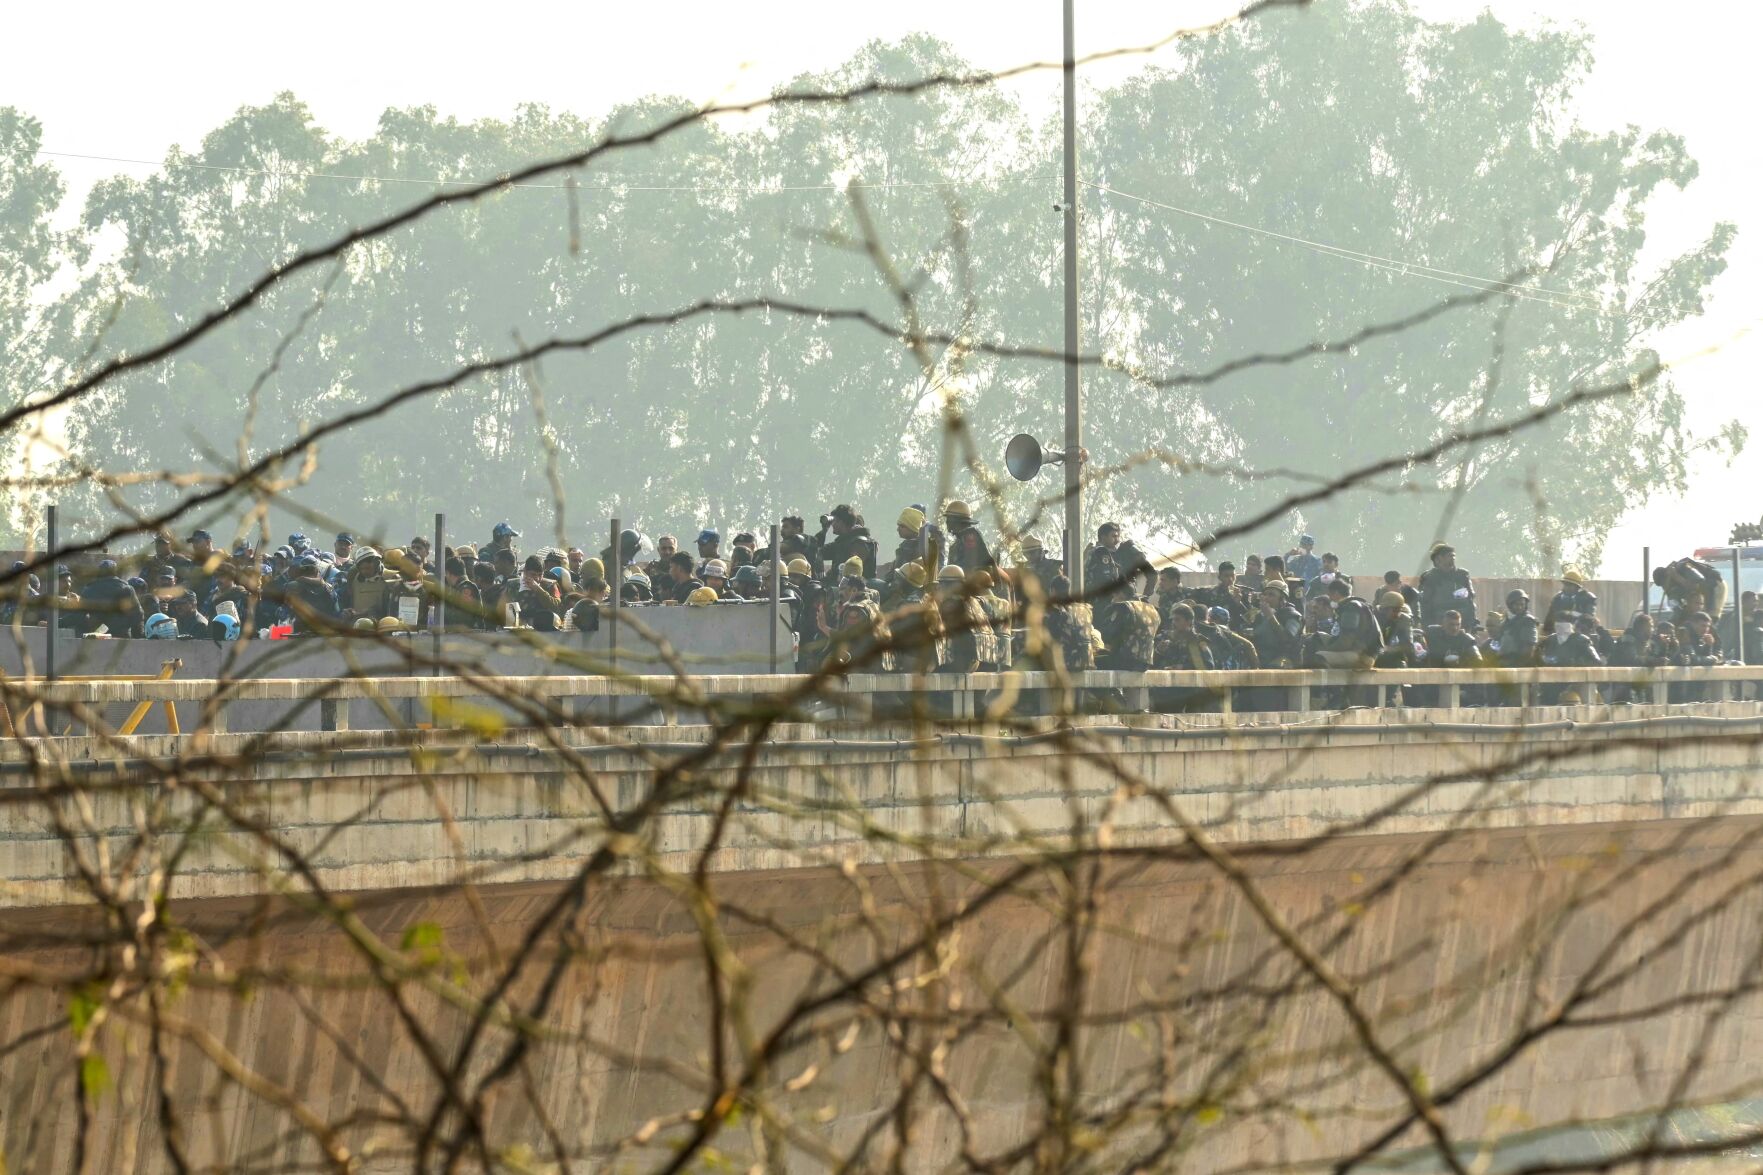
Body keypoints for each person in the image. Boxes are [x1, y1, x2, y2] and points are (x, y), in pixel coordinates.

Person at [79, 559, 144, 638]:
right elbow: (137, 615)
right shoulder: (127, 589)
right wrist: (138, 638)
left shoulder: (88, 590)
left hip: (96, 640)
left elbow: (80, 617)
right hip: (122, 640)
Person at [1419, 542, 1477, 631]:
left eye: (1454, 556)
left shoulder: (1462, 574)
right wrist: (1427, 626)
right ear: (1439, 558)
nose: (1453, 558)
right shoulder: (1430, 577)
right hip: (1439, 622)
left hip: (1462, 621)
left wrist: (1472, 622)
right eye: (1449, 556)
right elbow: (1425, 604)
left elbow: (1470, 598)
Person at [1654, 557, 1726, 625]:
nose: (1664, 587)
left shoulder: (1682, 566)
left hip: (1714, 585)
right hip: (1703, 591)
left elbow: (1697, 583)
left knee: (1708, 619)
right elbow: (1677, 607)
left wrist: (1677, 577)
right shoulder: (1672, 588)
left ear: (1668, 574)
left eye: (1664, 583)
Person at [1250, 581, 1305, 668]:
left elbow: (1287, 639)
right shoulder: (1260, 614)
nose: (1266, 598)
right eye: (1265, 594)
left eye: (1271, 595)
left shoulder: (1293, 616)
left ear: (1282, 599)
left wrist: (1270, 617)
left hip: (1282, 658)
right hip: (1259, 656)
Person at [816, 505, 877, 578]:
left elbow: (850, 571)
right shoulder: (842, 542)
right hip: (843, 585)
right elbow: (817, 551)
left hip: (856, 586)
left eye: (834, 521)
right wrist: (824, 531)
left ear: (841, 522)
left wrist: (829, 576)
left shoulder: (860, 543)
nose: (832, 524)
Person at [1491, 590, 1539, 667]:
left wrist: (1515, 665)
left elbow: (1529, 650)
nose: (1519, 607)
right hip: (1504, 663)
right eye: (1516, 604)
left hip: (1519, 666)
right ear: (1510, 605)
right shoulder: (1507, 620)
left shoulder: (1528, 621)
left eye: (1522, 604)